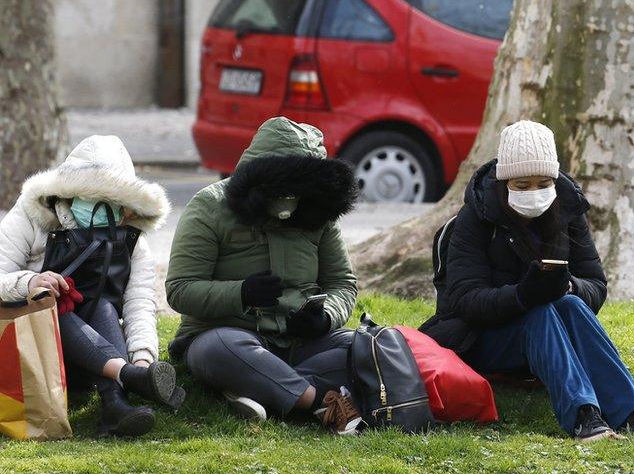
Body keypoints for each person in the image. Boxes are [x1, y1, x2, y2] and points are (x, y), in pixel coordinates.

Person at [421, 120, 634, 442]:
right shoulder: (473, 221)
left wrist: (568, 286)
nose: (534, 193)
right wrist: (523, 295)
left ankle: (631, 414)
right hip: (478, 338)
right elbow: (463, 301)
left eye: (543, 183)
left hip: (550, 330)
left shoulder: (569, 211)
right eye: (523, 185)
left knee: (567, 302)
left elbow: (596, 284)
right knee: (538, 312)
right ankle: (585, 416)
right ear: (504, 183)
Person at [166, 117, 362, 434]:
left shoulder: (319, 211)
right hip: (229, 334)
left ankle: (260, 386)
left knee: (364, 346)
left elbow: (342, 283)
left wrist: (325, 317)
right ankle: (319, 404)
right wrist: (241, 293)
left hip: (300, 341)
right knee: (219, 351)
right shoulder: (209, 206)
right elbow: (179, 290)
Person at [0, 135, 179, 437]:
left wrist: (144, 357)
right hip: (29, 349)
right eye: (91, 197)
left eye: (111, 201)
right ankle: (128, 377)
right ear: (69, 192)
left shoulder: (130, 236)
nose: (101, 207)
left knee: (105, 305)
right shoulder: (30, 215)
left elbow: (139, 304)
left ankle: (116, 404)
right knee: (53, 304)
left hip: (87, 354)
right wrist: (31, 281)